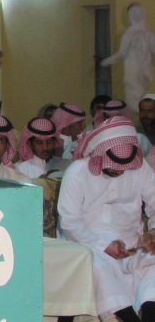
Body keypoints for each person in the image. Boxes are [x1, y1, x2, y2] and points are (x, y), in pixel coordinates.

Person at [58, 116, 155, 322]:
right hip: (91, 244)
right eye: (115, 164)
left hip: (134, 244)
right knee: (96, 265)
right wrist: (105, 246)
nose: (120, 170)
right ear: (101, 153)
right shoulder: (77, 173)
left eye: (124, 165)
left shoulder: (139, 168)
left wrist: (153, 232)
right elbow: (69, 223)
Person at [101, 3, 155, 110]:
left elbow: (121, 53)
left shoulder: (129, 34)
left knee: (133, 100)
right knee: (142, 98)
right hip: (145, 73)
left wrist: (105, 62)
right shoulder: (148, 35)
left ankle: (140, 118)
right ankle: (145, 116)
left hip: (133, 72)